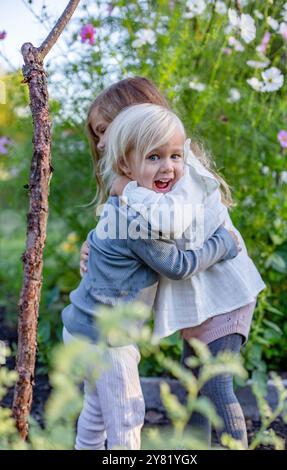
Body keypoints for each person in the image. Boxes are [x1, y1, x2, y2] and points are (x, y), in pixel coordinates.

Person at [62, 102, 239, 450]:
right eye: (154, 157)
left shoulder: (122, 200)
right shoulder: (141, 220)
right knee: (127, 417)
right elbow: (179, 265)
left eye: (176, 156)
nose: (169, 168)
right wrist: (223, 242)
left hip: (80, 326)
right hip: (107, 339)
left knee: (96, 414)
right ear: (126, 166)